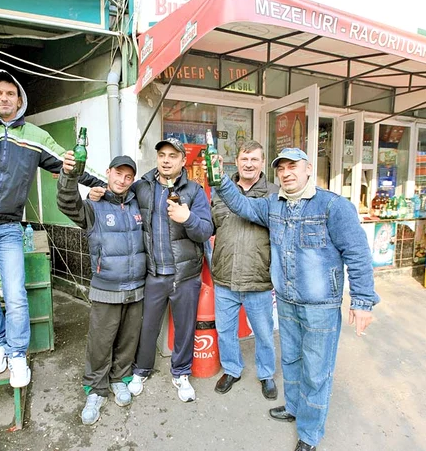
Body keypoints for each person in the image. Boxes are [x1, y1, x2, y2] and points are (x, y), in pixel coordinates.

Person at [0, 15, 105, 388]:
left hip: (8, 228)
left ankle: (17, 354)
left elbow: (68, 162)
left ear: (19, 100)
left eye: (11, 94)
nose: (5, 98)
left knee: (16, 296)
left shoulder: (35, 136)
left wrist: (108, 184)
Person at [213, 147, 379, 451]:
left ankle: (310, 434)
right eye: (282, 169)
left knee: (316, 372)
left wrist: (362, 301)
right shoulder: (273, 205)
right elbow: (241, 205)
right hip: (287, 302)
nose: (287, 173)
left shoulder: (333, 206)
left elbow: (357, 253)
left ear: (308, 169)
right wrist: (220, 179)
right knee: (290, 361)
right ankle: (294, 408)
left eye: (293, 167)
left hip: (321, 308)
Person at [57, 153, 146, 425]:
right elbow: (66, 203)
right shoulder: (93, 206)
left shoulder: (137, 204)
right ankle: (95, 389)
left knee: (128, 339)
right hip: (106, 286)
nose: (123, 180)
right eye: (118, 174)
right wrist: (69, 175)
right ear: (107, 173)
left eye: (128, 176)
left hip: (136, 287)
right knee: (101, 341)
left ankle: (120, 378)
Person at [125, 138, 214, 402]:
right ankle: (141, 370)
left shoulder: (195, 191)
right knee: (147, 326)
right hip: (154, 273)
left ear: (182, 161)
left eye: (172, 156)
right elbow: (117, 194)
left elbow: (206, 231)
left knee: (185, 328)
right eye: (162, 155)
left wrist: (188, 219)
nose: (166, 160)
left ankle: (181, 373)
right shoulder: (142, 187)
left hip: (185, 275)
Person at [210, 141, 279, 399]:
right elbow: (211, 226)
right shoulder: (219, 192)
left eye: (254, 159)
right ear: (236, 161)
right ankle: (232, 369)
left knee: (263, 332)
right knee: (225, 330)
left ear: (262, 163)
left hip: (258, 278)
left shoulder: (273, 193)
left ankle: (266, 374)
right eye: (244, 159)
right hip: (224, 276)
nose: (248, 164)